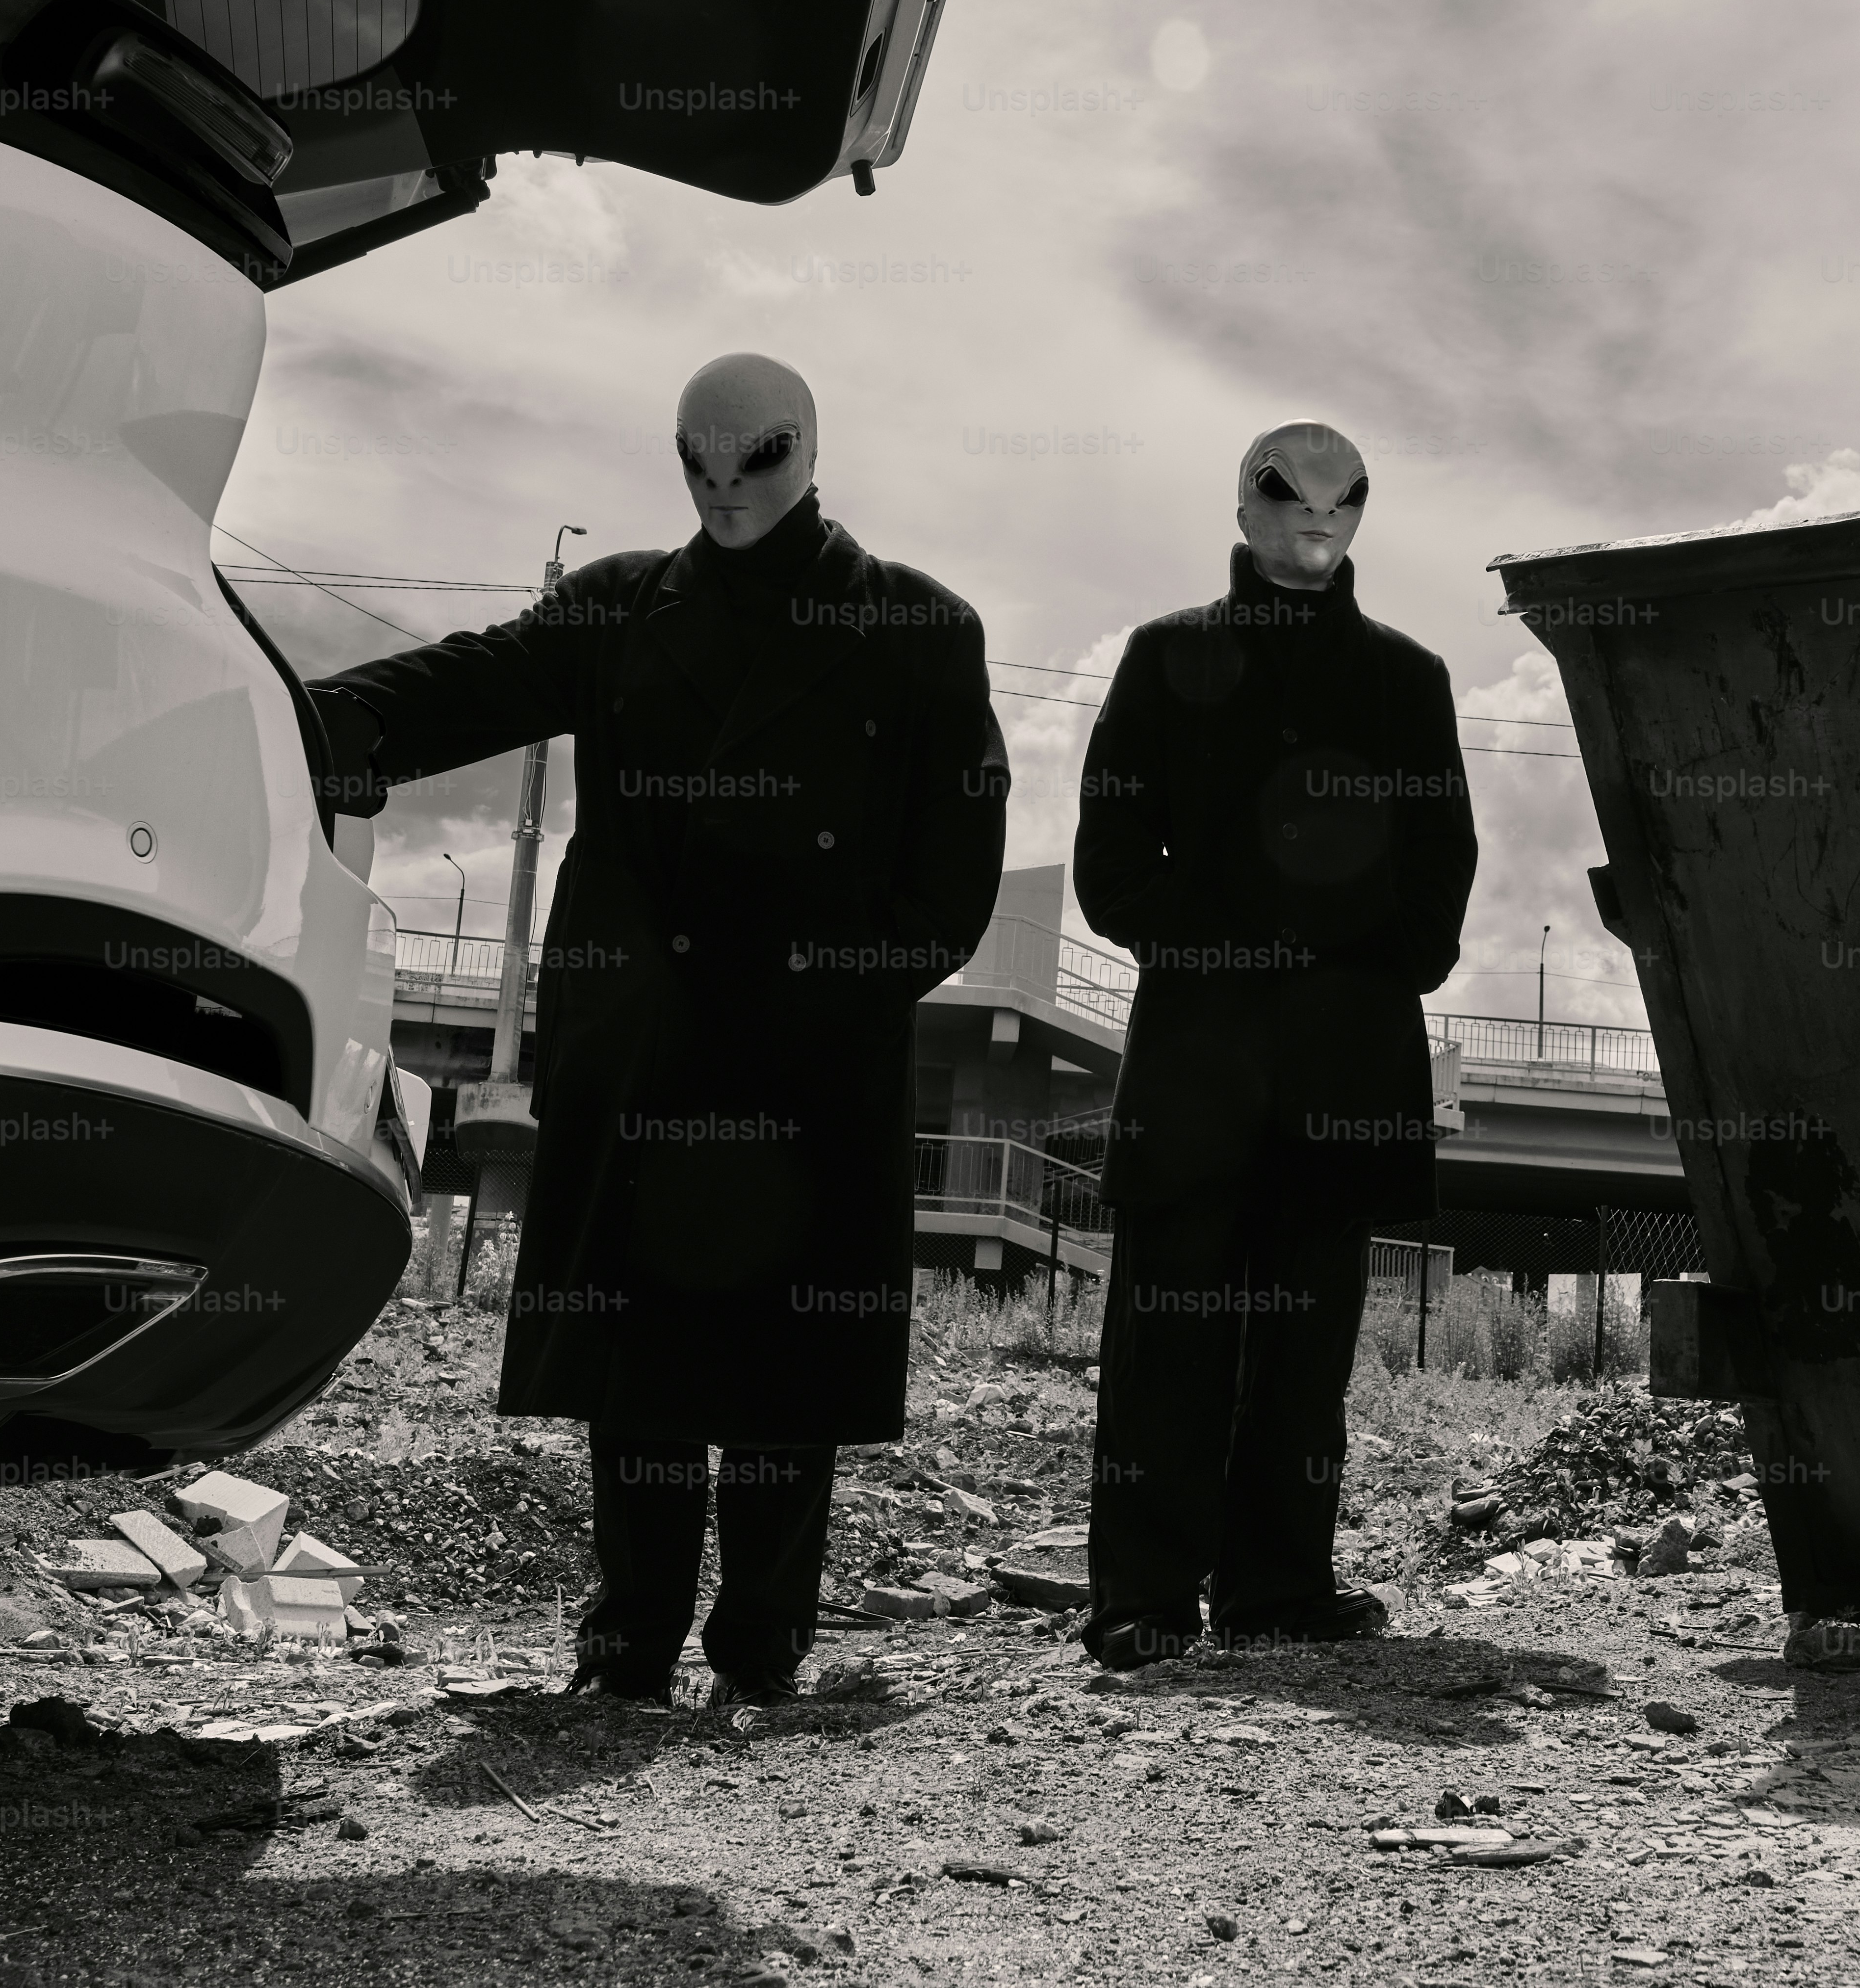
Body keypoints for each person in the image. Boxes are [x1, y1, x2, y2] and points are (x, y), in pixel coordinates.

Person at [304, 353, 1008, 1704]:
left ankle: (762, 1641)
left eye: (758, 456)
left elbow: (955, 868)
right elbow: (479, 681)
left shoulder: (922, 628)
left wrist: (846, 988)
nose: (727, 487)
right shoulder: (623, 605)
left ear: (810, 448)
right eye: (699, 457)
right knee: (640, 1354)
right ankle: (627, 1637)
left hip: (807, 1051)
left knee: (782, 1367)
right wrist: (324, 719)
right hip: (648, 1041)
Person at [1069, 420, 1478, 1668]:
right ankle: (1140, 1597)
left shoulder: (1409, 680)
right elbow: (1107, 864)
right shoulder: (1164, 656)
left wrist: (1367, 968)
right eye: (1290, 494)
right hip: (1199, 1054)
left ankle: (1277, 1587)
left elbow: (1442, 861)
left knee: (1304, 1343)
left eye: (1345, 496)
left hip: (1343, 1059)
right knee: (1168, 1335)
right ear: (1243, 506)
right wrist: (1223, 948)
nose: (1319, 517)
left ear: (1363, 512)